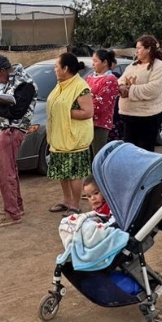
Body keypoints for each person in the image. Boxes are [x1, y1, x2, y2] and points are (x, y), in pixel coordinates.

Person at [0, 54, 36, 227]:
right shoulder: (13, 81)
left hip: (11, 130)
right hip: (7, 130)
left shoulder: (25, 84)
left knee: (5, 172)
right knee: (10, 170)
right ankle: (16, 206)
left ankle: (13, 213)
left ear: (2, 70)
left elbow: (16, 112)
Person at [45, 52, 95, 213]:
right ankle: (66, 201)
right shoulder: (61, 85)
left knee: (74, 174)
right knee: (62, 172)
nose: (55, 70)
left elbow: (88, 112)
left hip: (74, 139)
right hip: (59, 138)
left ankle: (75, 205)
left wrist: (65, 112)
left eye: (56, 67)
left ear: (65, 68)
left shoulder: (80, 87)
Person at [118, 35, 162, 152]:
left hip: (148, 117)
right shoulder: (133, 65)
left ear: (148, 49)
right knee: (129, 150)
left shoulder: (159, 67)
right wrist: (121, 86)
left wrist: (129, 91)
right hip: (129, 115)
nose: (137, 51)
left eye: (139, 48)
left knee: (144, 150)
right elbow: (121, 79)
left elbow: (153, 89)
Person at [87, 49, 120, 157]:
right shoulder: (89, 78)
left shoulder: (111, 80)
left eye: (95, 61)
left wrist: (84, 111)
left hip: (100, 123)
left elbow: (101, 103)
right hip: (86, 121)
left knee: (98, 155)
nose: (93, 64)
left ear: (104, 62)